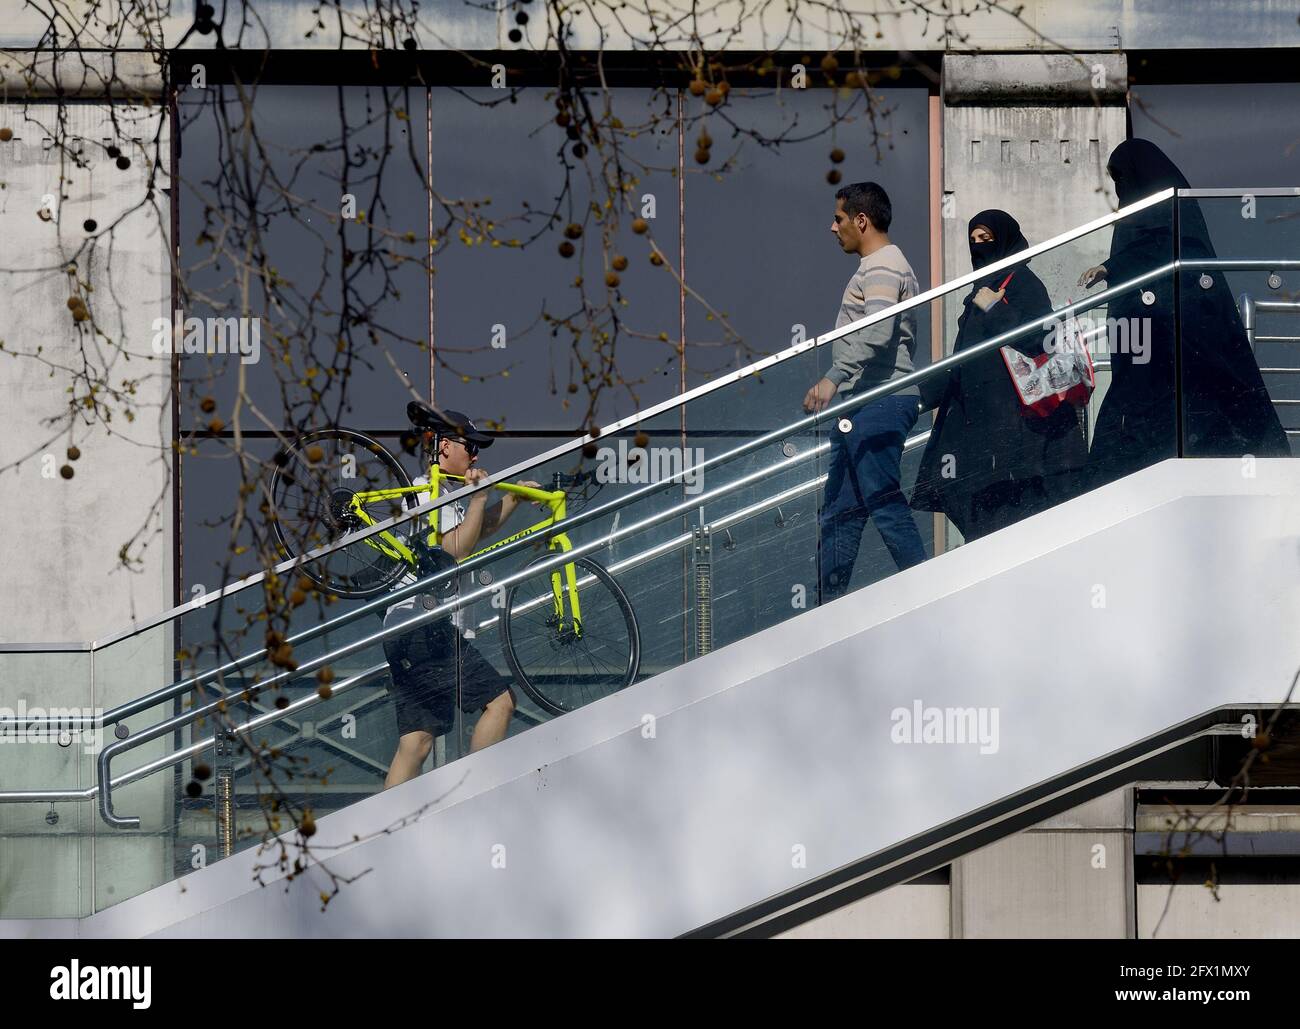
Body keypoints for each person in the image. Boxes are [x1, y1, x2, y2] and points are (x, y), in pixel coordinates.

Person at [1078, 139, 1288, 489]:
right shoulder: (1136, 214)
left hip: (1190, 346)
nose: (1119, 188)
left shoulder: (1172, 211)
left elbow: (1168, 250)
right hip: (1152, 352)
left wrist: (1112, 266)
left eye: (1122, 177)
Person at [382, 408, 540, 789]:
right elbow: (453, 549)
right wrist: (479, 497)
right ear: (446, 445)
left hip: (405, 629)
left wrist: (512, 500)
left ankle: (378, 834)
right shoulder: (425, 491)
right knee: (500, 702)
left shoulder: (445, 493)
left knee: (417, 742)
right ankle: (472, 798)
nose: (475, 455)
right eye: (470, 446)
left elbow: (475, 530)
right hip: (424, 625)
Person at [912, 211, 1088, 540]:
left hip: (1018, 434)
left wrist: (995, 309)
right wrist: (917, 397)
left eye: (986, 239)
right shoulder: (979, 292)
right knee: (979, 514)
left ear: (1005, 239)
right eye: (974, 240)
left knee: (1009, 522)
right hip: (982, 432)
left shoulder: (1023, 283)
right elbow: (963, 361)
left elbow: (1038, 339)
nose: (979, 247)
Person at [806, 181, 927, 600]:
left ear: (861, 220)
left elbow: (878, 331)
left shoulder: (883, 265)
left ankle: (928, 595)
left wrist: (832, 377)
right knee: (840, 510)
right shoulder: (882, 265)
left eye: (839, 219)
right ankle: (827, 614)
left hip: (880, 399)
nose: (832, 227)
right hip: (863, 404)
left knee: (883, 503)